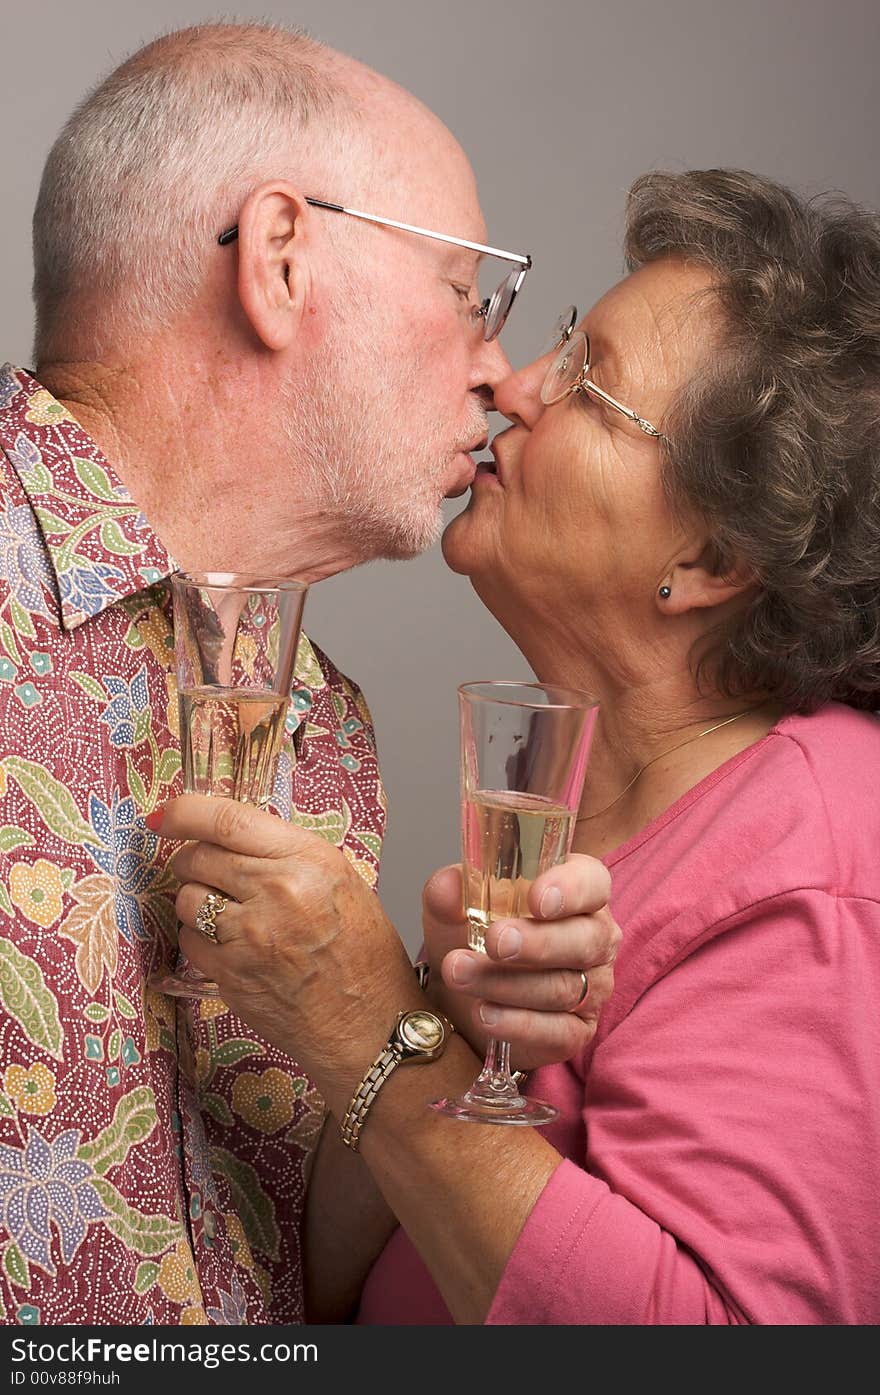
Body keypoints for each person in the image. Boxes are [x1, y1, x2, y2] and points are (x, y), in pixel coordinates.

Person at [163, 168, 880, 1324]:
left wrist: (364, 1026)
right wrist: (437, 1022)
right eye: (558, 346)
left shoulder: (818, 854)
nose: (509, 381)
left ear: (710, 562)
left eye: (592, 386)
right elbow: (335, 1291)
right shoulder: (568, 800)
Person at [0, 23, 619, 1325]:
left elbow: (283, 1272)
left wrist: (418, 1018)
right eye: (469, 291)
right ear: (280, 259)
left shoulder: (321, 720)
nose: (498, 371)